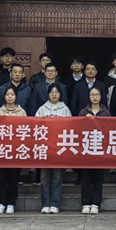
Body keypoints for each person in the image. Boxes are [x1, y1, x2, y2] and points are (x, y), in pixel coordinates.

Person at [36, 83, 72, 214]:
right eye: (52, 92)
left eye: (57, 92)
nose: (54, 94)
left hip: (58, 148)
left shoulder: (65, 109)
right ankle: (45, 204)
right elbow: (34, 126)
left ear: (60, 94)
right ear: (48, 94)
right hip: (45, 148)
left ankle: (55, 204)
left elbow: (70, 127)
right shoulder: (42, 109)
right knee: (44, 178)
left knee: (57, 177)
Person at [0, 86, 26, 214]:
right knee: (1, 179)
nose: (10, 97)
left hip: (16, 150)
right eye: (8, 94)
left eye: (12, 94)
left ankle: (11, 203)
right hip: (1, 150)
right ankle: (1, 203)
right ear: (4, 97)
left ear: (16, 96)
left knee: (13, 178)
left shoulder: (22, 112)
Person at [78, 86, 111, 214]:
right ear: (89, 97)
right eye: (92, 95)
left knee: (98, 178)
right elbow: (78, 129)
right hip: (86, 149)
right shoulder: (83, 112)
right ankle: (86, 203)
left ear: (101, 96)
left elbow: (109, 130)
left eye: (97, 94)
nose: (95, 97)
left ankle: (96, 203)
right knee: (85, 178)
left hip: (100, 150)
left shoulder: (106, 112)